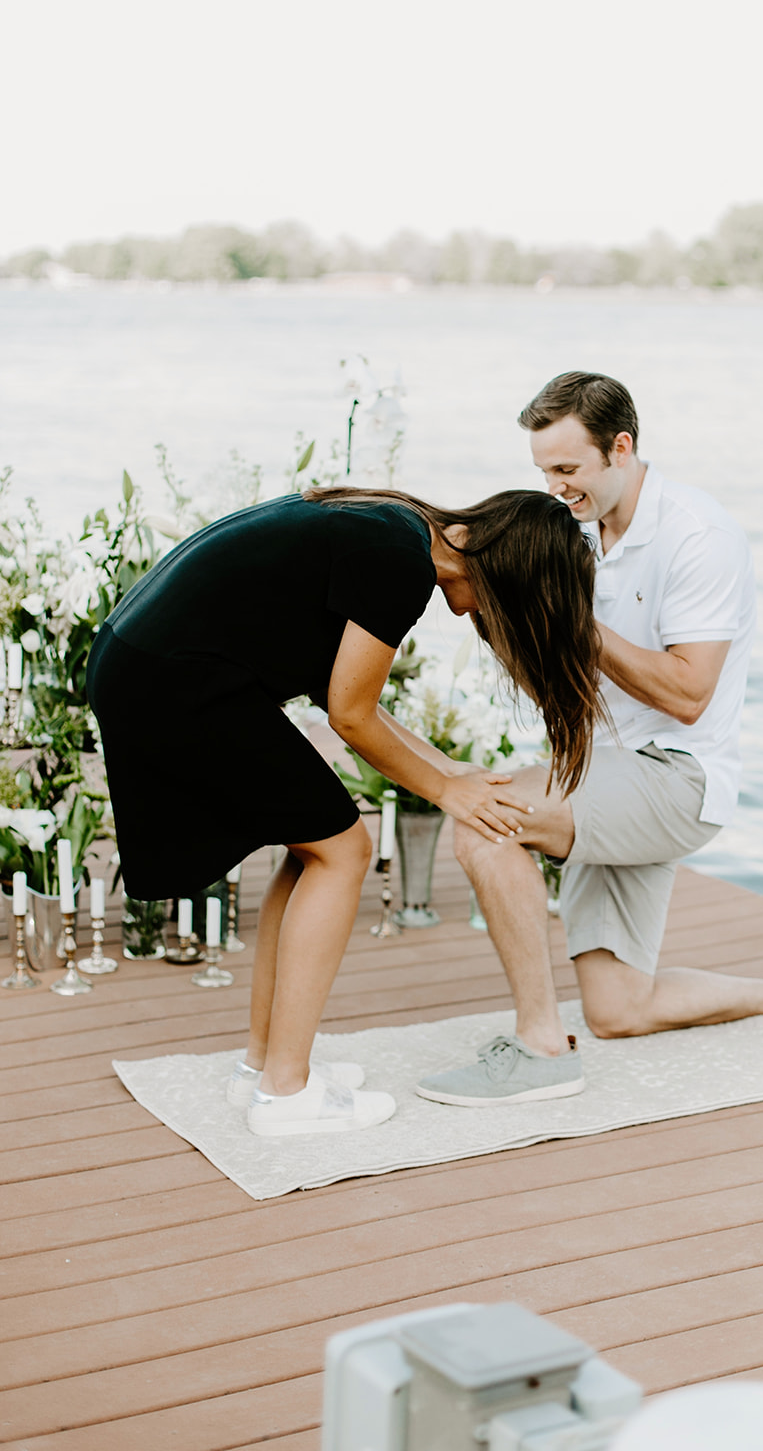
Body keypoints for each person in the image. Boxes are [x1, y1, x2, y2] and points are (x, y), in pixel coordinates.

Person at [415, 372, 763, 1107]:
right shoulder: (579, 534)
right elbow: (570, 682)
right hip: (606, 777)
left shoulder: (698, 535)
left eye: (568, 470)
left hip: (675, 779)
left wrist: (572, 618)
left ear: (620, 448)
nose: (556, 488)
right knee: (618, 1010)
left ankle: (539, 1049)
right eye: (544, 473)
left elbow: (689, 695)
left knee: (484, 820)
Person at [87, 485, 603, 1137]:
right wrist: (446, 793)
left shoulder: (395, 529)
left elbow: (350, 695)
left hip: (146, 665)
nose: (488, 623)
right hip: (175, 682)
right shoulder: (401, 563)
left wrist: (450, 770)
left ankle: (264, 1069)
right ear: (510, 573)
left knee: (315, 846)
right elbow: (351, 719)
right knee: (345, 847)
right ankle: (287, 1093)